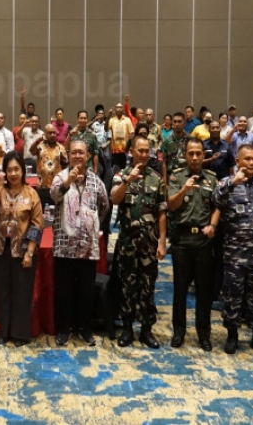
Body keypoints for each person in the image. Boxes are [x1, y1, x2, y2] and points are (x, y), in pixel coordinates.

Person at [213, 144, 253, 356]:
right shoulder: (226, 183)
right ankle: (232, 336)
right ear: (238, 161)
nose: (251, 163)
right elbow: (216, 200)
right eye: (247, 159)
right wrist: (232, 183)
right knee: (233, 296)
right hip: (235, 254)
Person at [50, 140, 109, 347]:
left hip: (87, 247)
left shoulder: (96, 181)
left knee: (86, 291)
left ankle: (85, 329)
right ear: (68, 155)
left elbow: (104, 205)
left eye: (81, 153)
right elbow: (54, 196)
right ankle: (64, 330)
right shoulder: (60, 177)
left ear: (87, 155)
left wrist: (90, 224)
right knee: (64, 291)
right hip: (64, 247)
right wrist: (68, 182)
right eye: (73, 152)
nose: (77, 156)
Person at [111, 135, 167, 349]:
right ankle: (127, 328)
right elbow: (115, 199)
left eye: (147, 151)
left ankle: (146, 330)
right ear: (131, 152)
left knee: (148, 287)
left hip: (149, 245)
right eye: (140, 150)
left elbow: (162, 213)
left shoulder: (156, 179)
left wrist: (162, 242)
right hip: (128, 244)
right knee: (127, 288)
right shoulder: (121, 176)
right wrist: (128, 180)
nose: (144, 154)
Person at [0, 151, 42, 347]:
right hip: (1, 248)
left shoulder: (31, 194)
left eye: (17, 169)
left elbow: (36, 225)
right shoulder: (0, 191)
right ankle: (4, 332)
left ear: (23, 171)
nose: (13, 173)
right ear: (5, 172)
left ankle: (19, 334)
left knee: (22, 293)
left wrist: (30, 252)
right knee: (3, 292)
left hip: (23, 249)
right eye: (9, 170)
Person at [167, 138, 219, 352]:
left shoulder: (212, 178)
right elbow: (171, 205)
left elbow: (218, 206)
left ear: (203, 155)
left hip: (203, 242)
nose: (195, 157)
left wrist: (213, 225)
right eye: (191, 153)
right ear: (185, 155)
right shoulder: (177, 177)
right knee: (180, 290)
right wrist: (183, 190)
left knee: (204, 291)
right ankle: (179, 332)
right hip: (182, 240)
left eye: (198, 153)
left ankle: (203, 334)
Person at [32, 123, 68, 206]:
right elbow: (32, 151)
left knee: (56, 209)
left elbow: (66, 166)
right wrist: (37, 140)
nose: (52, 135)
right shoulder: (40, 146)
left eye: (54, 133)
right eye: (50, 133)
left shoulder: (61, 148)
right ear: (45, 134)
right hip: (42, 185)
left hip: (57, 186)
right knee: (43, 209)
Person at [65, 110, 99, 176]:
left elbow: (95, 154)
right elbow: (66, 148)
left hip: (88, 167)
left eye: (85, 118)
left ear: (87, 120)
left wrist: (95, 170)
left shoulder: (92, 135)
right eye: (81, 118)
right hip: (74, 167)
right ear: (77, 119)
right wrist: (70, 135)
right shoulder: (72, 133)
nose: (83, 120)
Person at [161, 112, 188, 182]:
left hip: (186, 176)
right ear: (172, 123)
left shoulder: (190, 139)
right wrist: (165, 181)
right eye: (175, 122)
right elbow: (163, 162)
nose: (177, 124)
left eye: (179, 121)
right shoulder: (167, 141)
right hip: (171, 177)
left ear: (184, 123)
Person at [108, 103, 134, 170]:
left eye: (120, 107)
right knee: (114, 170)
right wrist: (109, 116)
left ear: (123, 109)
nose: (119, 109)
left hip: (124, 151)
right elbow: (106, 129)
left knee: (124, 171)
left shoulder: (127, 120)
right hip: (114, 151)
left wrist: (129, 145)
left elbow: (131, 133)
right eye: (117, 107)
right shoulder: (112, 120)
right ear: (115, 109)